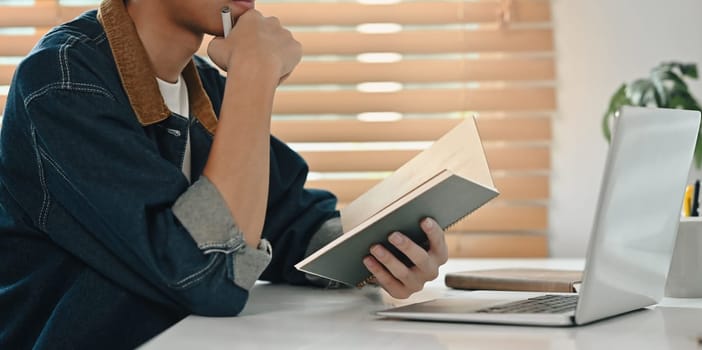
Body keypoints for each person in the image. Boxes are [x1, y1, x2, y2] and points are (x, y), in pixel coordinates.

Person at [0, 0, 449, 348]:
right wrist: (255, 74)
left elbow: (290, 219)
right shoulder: (61, 83)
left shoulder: (202, 85)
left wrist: (382, 252)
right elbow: (207, 275)